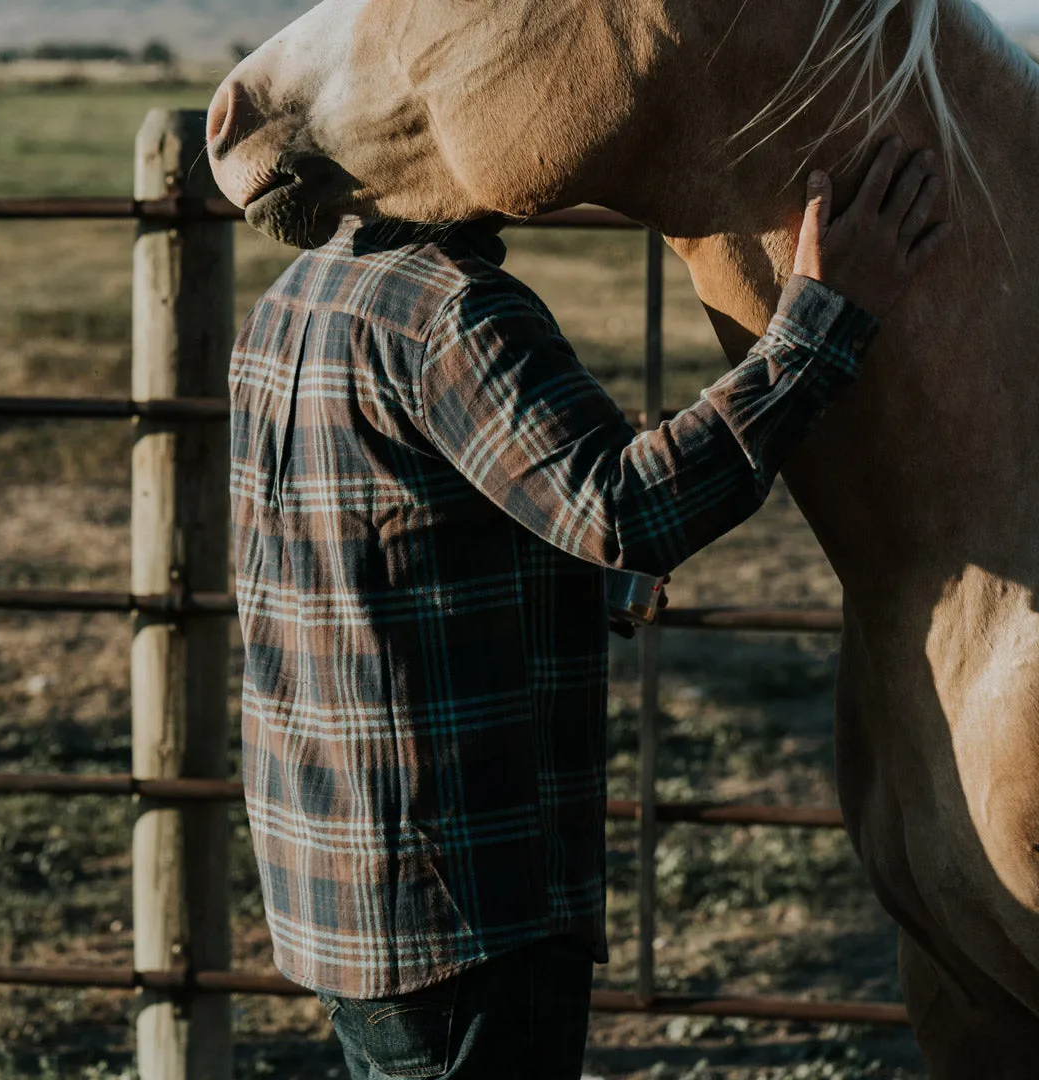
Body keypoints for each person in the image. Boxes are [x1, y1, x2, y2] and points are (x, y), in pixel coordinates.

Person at [229, 137, 948, 1080]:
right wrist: (824, 319)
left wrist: (572, 589)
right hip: (468, 906)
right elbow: (625, 507)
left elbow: (379, 548)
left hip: (340, 885)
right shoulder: (450, 312)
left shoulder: (293, 300)